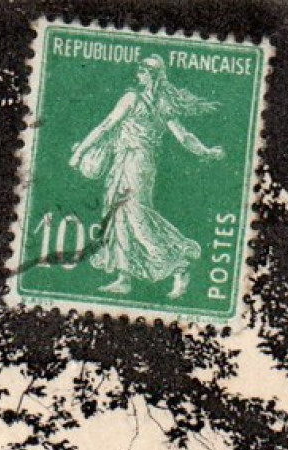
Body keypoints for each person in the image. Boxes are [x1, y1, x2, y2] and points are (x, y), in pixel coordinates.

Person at [69, 54, 225, 299]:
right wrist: (206, 151)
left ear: (152, 75)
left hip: (134, 162)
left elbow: (106, 125)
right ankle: (124, 277)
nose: (138, 74)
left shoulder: (132, 98)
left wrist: (79, 152)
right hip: (138, 163)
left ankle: (179, 264)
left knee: (134, 214)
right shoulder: (163, 103)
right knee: (118, 215)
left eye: (142, 71)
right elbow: (184, 137)